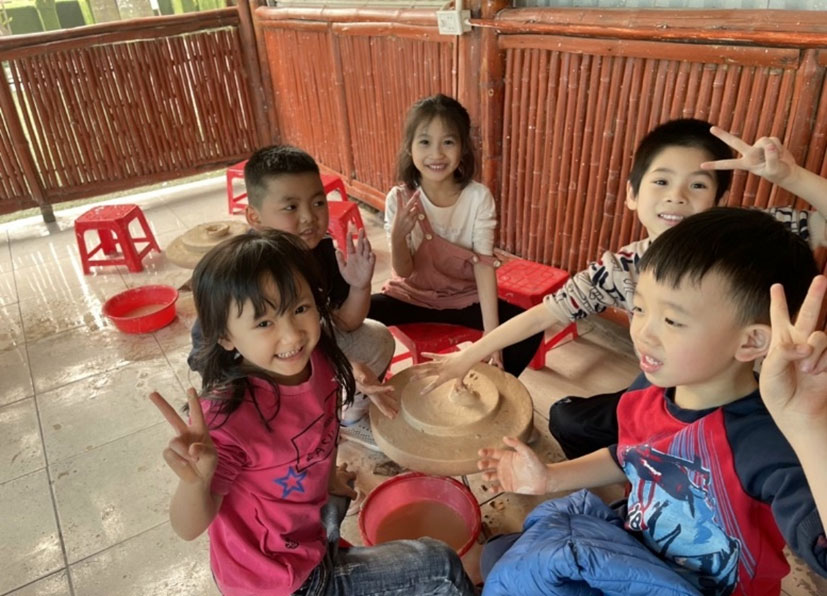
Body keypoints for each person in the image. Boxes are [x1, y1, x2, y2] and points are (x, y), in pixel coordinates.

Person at [416, 119, 827, 459]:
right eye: (661, 181)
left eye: (698, 186)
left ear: (718, 201)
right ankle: (634, 472)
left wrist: (789, 176)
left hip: (753, 399)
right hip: (669, 385)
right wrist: (470, 355)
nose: (677, 197)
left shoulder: (750, 239)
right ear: (632, 194)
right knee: (568, 419)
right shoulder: (621, 268)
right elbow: (546, 312)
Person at [475, 208, 827, 596]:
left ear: (752, 341)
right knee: (497, 554)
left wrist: (809, 425)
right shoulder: (649, 389)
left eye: (672, 320)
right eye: (640, 308)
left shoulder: (766, 443)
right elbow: (633, 455)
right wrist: (549, 478)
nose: (643, 332)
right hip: (641, 551)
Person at [152, 230, 476, 596]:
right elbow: (188, 527)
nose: (292, 336)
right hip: (277, 582)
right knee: (441, 566)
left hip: (305, 531)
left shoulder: (316, 357)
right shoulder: (227, 420)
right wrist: (195, 482)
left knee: (339, 497)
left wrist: (328, 475)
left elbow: (318, 420)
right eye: (264, 323)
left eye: (300, 309)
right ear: (225, 336)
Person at [189, 146, 397, 447]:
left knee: (375, 338)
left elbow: (346, 324)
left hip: (298, 340)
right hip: (243, 359)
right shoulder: (242, 270)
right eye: (291, 207)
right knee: (276, 413)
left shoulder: (319, 250)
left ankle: (349, 418)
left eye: (318, 202)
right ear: (254, 216)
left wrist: (359, 286)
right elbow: (219, 350)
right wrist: (338, 361)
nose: (309, 217)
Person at [367, 93, 542, 378]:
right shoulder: (399, 198)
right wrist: (398, 238)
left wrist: (491, 338)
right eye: (425, 142)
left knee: (529, 327)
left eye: (448, 142)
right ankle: (371, 393)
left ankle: (490, 387)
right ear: (409, 147)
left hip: (464, 298)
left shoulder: (478, 197)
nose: (436, 154)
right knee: (352, 320)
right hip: (411, 297)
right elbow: (404, 271)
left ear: (463, 147)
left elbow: (483, 267)